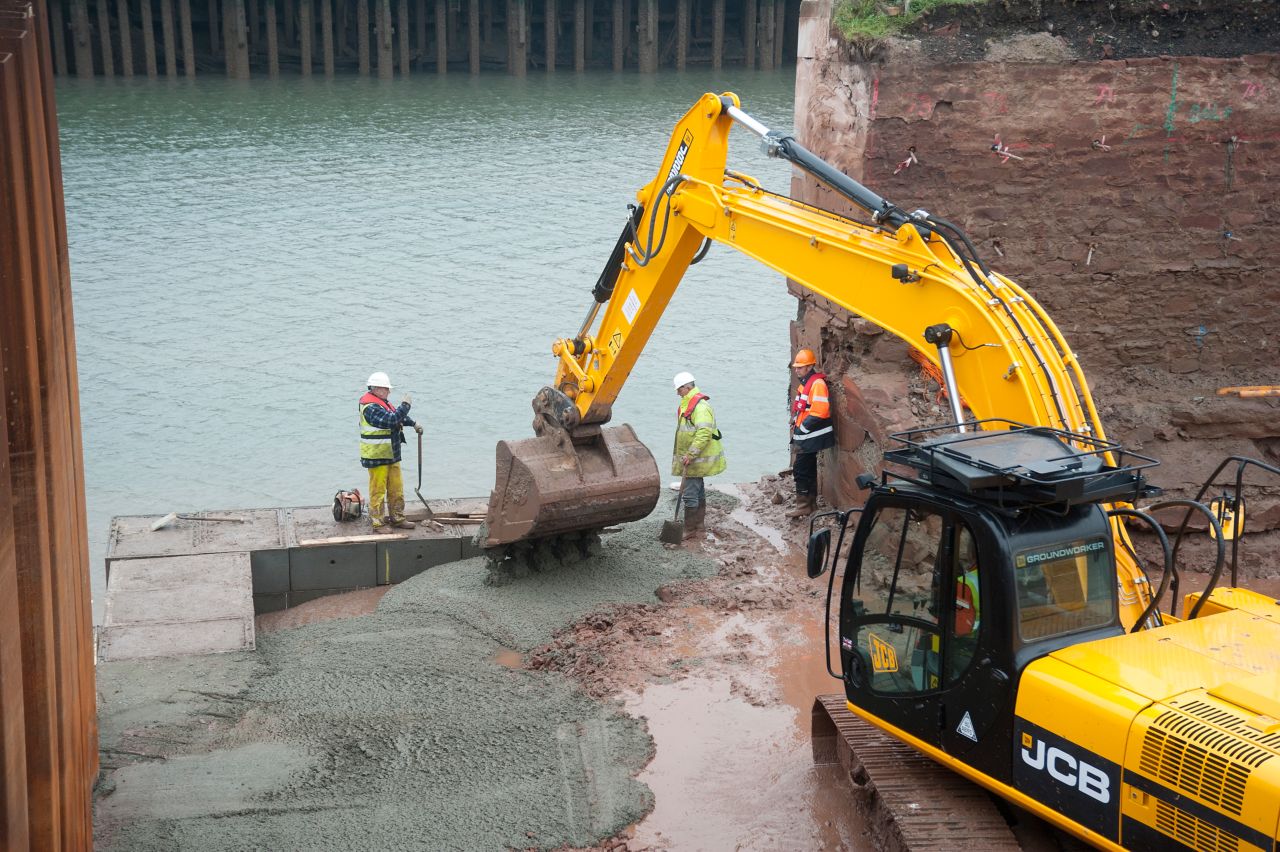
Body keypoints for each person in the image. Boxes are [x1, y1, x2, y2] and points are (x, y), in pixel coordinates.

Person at [359, 371, 422, 532]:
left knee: (396, 488)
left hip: (391, 454)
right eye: (386, 388)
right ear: (377, 388)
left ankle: (397, 518)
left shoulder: (381, 403)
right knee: (378, 491)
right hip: (377, 456)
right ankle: (378, 523)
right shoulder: (370, 408)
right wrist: (405, 406)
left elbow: (395, 415)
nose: (389, 391)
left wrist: (413, 423)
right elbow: (391, 420)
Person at [672, 371, 726, 540]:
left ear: (687, 388)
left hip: (695, 459)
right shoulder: (689, 404)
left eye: (679, 389)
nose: (677, 393)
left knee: (689, 494)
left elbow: (704, 433)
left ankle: (689, 529)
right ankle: (699, 527)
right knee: (698, 491)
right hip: (694, 459)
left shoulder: (700, 407)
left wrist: (690, 454)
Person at [787, 349, 834, 518]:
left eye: (800, 367)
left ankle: (804, 505)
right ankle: (811, 504)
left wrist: (802, 429)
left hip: (809, 435)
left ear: (809, 367)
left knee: (800, 469)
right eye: (796, 367)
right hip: (807, 435)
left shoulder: (817, 384)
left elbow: (820, 411)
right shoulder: (808, 382)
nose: (796, 370)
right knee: (808, 468)